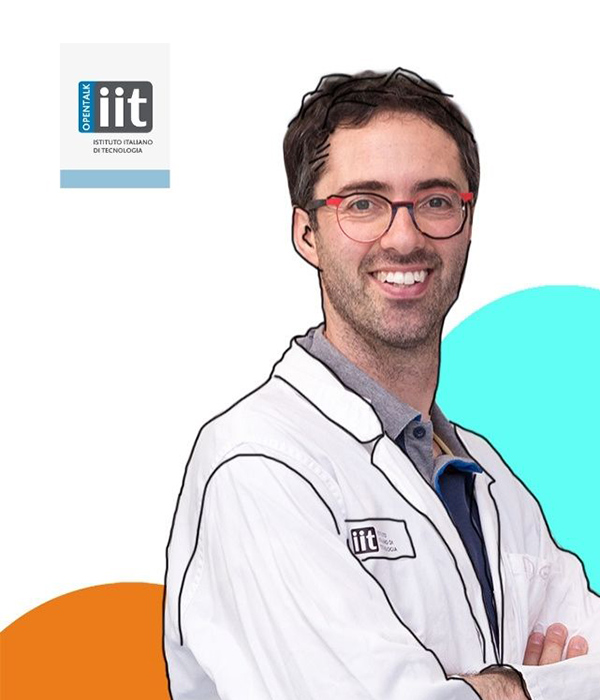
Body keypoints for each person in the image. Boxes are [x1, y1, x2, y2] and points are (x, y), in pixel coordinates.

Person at [163, 68, 599, 699]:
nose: (404, 236)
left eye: (435, 201)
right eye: (363, 204)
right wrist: (537, 685)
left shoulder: (489, 477)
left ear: (467, 224)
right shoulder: (258, 466)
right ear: (307, 233)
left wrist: (497, 687)